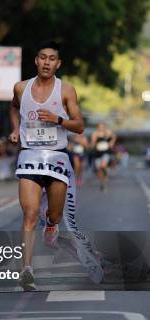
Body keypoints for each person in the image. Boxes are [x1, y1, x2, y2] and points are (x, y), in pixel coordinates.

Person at [8, 40, 85, 291]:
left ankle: (51, 225)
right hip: (30, 156)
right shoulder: (21, 88)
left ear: (58, 64)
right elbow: (13, 107)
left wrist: (57, 119)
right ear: (36, 61)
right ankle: (27, 270)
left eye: (52, 58)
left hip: (57, 158)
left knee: (55, 214)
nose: (46, 62)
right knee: (29, 214)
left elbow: (80, 125)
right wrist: (15, 130)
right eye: (42, 57)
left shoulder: (66, 90)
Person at [90, 122, 116, 192]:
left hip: (106, 152)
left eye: (102, 126)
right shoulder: (95, 133)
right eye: (100, 126)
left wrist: (112, 142)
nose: (101, 128)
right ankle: (102, 183)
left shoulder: (108, 132)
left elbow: (114, 136)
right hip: (97, 153)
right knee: (99, 170)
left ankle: (106, 173)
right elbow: (92, 143)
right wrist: (93, 144)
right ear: (98, 127)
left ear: (104, 127)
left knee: (103, 165)